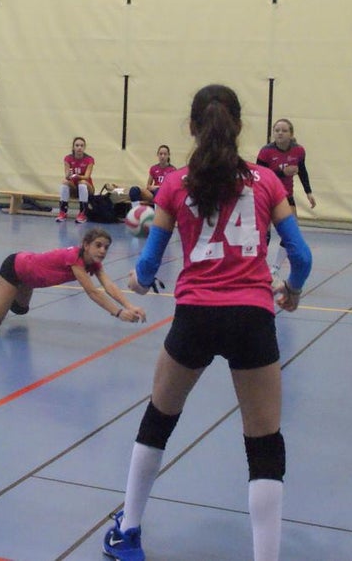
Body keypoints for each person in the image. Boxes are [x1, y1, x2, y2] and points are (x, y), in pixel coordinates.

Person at [103, 84, 313, 561]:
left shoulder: (175, 185)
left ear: (193, 128)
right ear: (239, 126)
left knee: (159, 419)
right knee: (264, 445)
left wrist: (138, 282)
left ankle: (128, 532)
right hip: (252, 317)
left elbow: (148, 268)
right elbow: (300, 255)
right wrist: (292, 289)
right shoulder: (267, 181)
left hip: (195, 316)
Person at [0, 227, 146, 333]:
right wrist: (118, 313)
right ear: (86, 244)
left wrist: (130, 305)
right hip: (16, 269)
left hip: (28, 279)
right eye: (98, 245)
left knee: (20, 308)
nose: (102, 251)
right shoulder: (75, 258)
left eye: (106, 247)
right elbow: (92, 292)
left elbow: (108, 285)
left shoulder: (93, 263)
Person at [256, 118, 316, 277]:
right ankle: (258, 266)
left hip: (285, 196)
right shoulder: (266, 152)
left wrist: (308, 192)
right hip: (265, 196)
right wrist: (282, 173)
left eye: (284, 130)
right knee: (263, 232)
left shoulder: (298, 151)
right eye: (277, 130)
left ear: (291, 134)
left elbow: (302, 171)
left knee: (291, 231)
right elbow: (259, 176)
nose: (280, 133)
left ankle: (275, 268)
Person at [57, 136, 94, 223]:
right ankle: (63, 211)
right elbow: (66, 176)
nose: (79, 148)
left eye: (81, 145)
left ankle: (83, 213)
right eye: (77, 145)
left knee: (82, 182)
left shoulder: (89, 159)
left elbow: (87, 176)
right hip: (74, 188)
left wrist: (78, 176)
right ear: (73, 147)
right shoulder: (68, 158)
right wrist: (69, 176)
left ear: (84, 147)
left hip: (87, 188)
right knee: (65, 182)